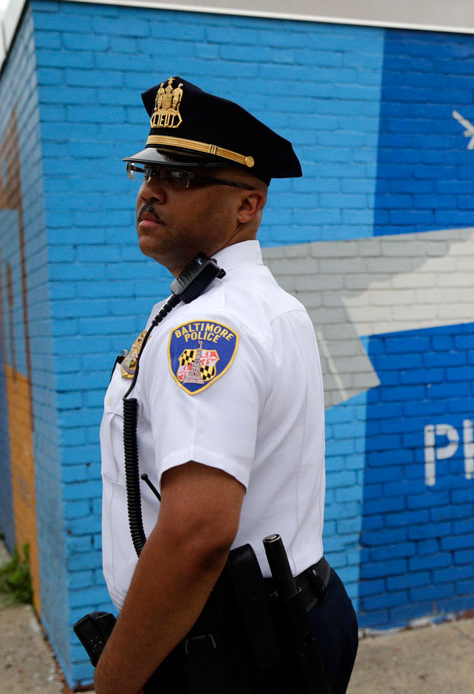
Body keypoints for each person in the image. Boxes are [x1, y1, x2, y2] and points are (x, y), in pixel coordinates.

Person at [94, 76, 358, 694]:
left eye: (181, 177)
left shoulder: (210, 324)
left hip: (232, 646)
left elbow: (196, 533)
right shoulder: (252, 303)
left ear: (248, 206)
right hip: (275, 615)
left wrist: (114, 682)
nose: (151, 191)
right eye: (146, 171)